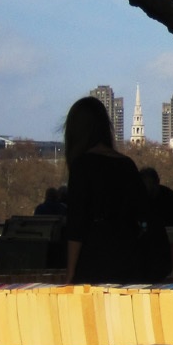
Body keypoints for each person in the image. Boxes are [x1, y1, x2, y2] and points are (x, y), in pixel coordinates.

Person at [62, 97, 149, 284]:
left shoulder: (82, 166)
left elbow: (76, 224)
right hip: (128, 254)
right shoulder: (127, 164)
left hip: (95, 256)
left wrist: (70, 272)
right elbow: (143, 213)